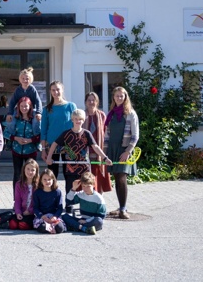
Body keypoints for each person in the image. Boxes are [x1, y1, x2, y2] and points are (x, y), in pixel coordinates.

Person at [45, 109, 112, 200]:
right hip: (70, 168)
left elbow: (95, 146)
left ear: (83, 120)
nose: (78, 121)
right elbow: (54, 144)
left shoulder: (87, 134)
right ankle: (69, 207)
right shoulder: (66, 134)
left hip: (84, 167)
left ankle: (89, 205)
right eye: (75, 119)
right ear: (72, 120)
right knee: (70, 188)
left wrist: (105, 158)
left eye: (80, 119)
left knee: (88, 188)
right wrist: (49, 157)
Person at [106, 86, 140, 220]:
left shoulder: (131, 113)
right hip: (112, 150)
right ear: (113, 97)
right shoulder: (111, 113)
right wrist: (105, 153)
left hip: (124, 150)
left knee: (121, 178)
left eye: (122, 96)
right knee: (116, 177)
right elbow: (107, 134)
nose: (119, 98)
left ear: (125, 97)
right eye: (117, 96)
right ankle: (120, 206)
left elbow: (135, 135)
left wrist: (127, 152)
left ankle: (123, 208)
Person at [4, 96, 41, 193]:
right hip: (17, 151)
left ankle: (33, 197)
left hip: (31, 151)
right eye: (21, 106)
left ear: (30, 107)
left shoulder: (35, 119)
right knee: (17, 175)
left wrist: (30, 140)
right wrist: (16, 138)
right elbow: (6, 133)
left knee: (32, 174)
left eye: (26, 106)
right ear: (18, 107)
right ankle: (17, 199)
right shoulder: (14, 118)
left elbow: (41, 135)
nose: (24, 108)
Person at [41, 81, 75, 177]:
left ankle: (69, 192)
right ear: (50, 92)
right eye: (53, 90)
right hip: (51, 145)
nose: (56, 92)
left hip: (69, 145)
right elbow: (43, 130)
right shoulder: (47, 109)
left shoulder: (71, 106)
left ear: (62, 90)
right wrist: (43, 149)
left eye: (58, 89)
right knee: (52, 174)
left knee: (69, 173)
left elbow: (77, 125)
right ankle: (52, 192)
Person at [84, 92, 112, 193]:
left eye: (93, 100)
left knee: (98, 179)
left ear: (97, 102)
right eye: (89, 100)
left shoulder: (102, 115)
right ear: (86, 102)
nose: (91, 102)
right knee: (87, 178)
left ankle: (99, 200)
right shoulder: (82, 115)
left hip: (99, 151)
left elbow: (106, 132)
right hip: (85, 152)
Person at [10, 158, 40, 230]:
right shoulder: (18, 184)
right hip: (22, 212)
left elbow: (39, 203)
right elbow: (17, 200)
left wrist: (30, 211)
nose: (30, 172)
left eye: (33, 170)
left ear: (36, 171)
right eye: (28, 169)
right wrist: (18, 212)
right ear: (24, 169)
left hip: (33, 213)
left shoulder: (39, 185)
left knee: (22, 225)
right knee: (12, 224)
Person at [33, 168, 65, 234]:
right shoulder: (37, 192)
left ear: (53, 180)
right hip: (42, 216)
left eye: (49, 179)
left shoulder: (57, 192)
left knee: (60, 228)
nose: (47, 182)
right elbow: (35, 208)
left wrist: (55, 216)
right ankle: (49, 228)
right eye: (44, 179)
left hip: (53, 216)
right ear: (41, 180)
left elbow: (60, 207)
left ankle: (53, 228)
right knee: (42, 227)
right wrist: (42, 216)